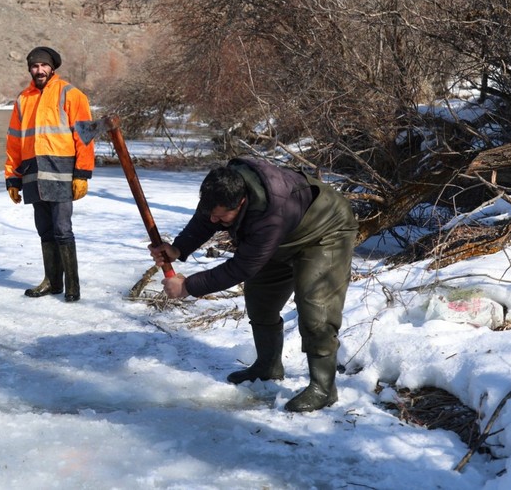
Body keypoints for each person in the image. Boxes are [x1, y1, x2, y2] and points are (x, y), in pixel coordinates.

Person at [149, 157, 358, 412]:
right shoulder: (224, 188)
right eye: (212, 213)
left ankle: (324, 388)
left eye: (222, 216)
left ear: (242, 202)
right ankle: (268, 366)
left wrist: (188, 287)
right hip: (282, 237)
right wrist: (178, 248)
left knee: (316, 310)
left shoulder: (272, 213)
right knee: (260, 300)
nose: (215, 220)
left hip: (324, 232)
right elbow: (206, 219)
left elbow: (242, 267)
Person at [5, 46, 94, 302]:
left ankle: (72, 286)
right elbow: (13, 142)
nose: (39, 70)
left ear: (52, 67)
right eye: (34, 66)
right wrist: (12, 177)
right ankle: (53, 282)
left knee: (62, 229)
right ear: (30, 69)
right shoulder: (23, 99)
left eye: (43, 65)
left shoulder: (71, 94)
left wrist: (82, 173)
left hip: (63, 173)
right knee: (44, 230)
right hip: (33, 175)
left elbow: (85, 138)